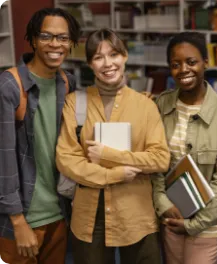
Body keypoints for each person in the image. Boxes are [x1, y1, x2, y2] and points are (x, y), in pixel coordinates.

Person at [55, 28, 170, 264]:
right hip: (89, 215)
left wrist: (108, 155)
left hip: (136, 213)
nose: (108, 64)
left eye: (114, 55)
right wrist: (115, 174)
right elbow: (66, 160)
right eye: (98, 57)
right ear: (90, 63)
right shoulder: (75, 103)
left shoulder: (145, 106)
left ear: (125, 56)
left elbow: (160, 159)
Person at [151, 32, 217, 264]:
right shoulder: (160, 104)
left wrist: (194, 224)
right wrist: (163, 205)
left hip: (209, 222)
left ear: (205, 62)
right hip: (171, 215)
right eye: (175, 64)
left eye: (191, 62)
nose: (184, 70)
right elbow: (156, 162)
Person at [0, 8, 80, 264]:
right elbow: (3, 159)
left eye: (63, 38)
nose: (56, 44)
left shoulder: (67, 82)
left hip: (58, 213)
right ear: (33, 40)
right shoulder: (9, 86)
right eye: (47, 36)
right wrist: (17, 220)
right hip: (22, 219)